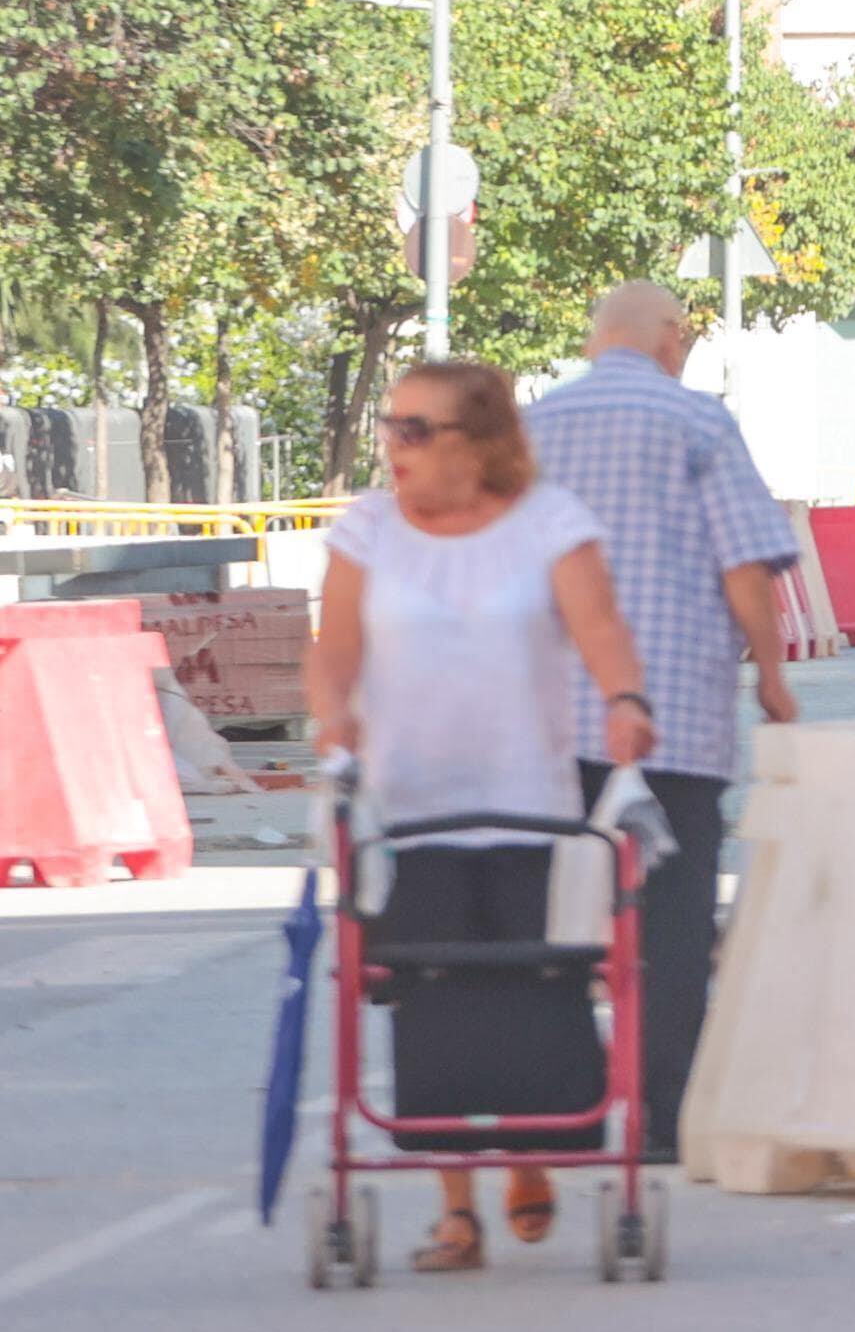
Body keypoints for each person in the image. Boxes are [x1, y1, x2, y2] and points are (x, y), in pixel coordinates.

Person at [305, 361, 657, 1275]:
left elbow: (601, 626)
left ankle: (531, 1154)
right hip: (409, 807)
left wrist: (623, 699)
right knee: (431, 998)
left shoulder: (548, 524)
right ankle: (456, 1207)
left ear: (480, 441)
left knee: (531, 987)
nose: (397, 446)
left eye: (418, 429)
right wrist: (332, 717)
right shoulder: (369, 530)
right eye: (393, 426)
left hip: (527, 805)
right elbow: (333, 651)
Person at [522, 282, 800, 1163]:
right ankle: (662, 1123)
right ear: (672, 339)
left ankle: (564, 1112)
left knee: (563, 916)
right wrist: (774, 680)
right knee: (672, 927)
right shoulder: (699, 423)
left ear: (599, 338)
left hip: (552, 722)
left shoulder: (535, 427)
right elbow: (745, 568)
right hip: (674, 720)